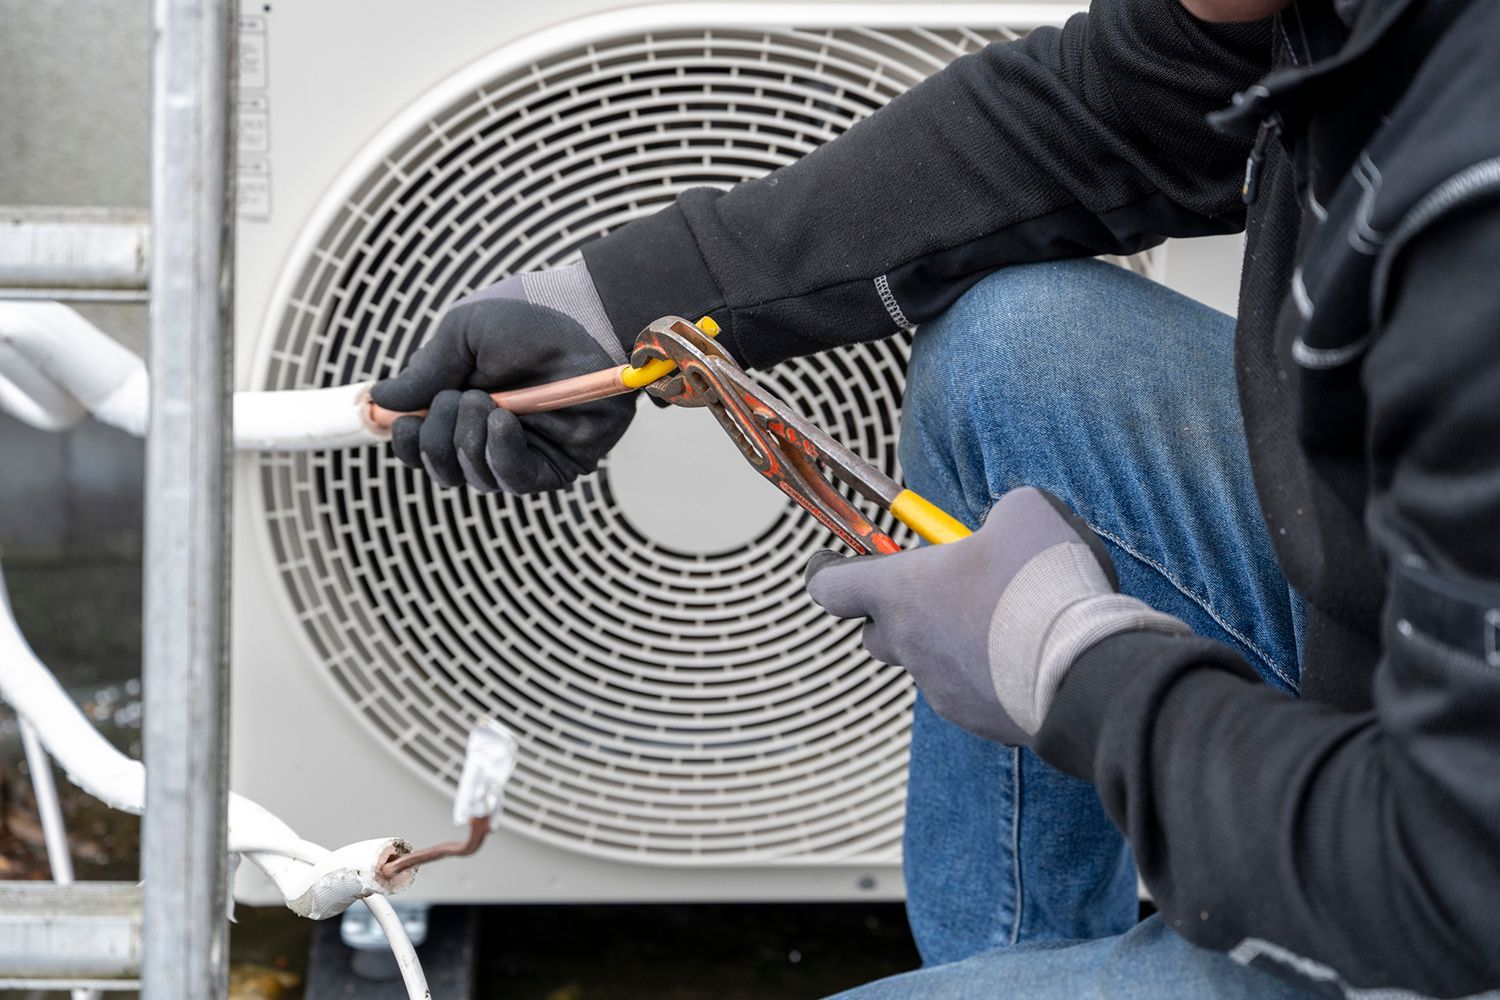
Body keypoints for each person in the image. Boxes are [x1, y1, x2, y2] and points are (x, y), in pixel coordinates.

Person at [371, 0, 1500, 993]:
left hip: (1437, 889)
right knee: (1019, 351)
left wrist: (1061, 657)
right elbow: (1099, 114)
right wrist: (612, 306)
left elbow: (1455, 873)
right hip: (1414, 645)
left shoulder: (1473, 206)